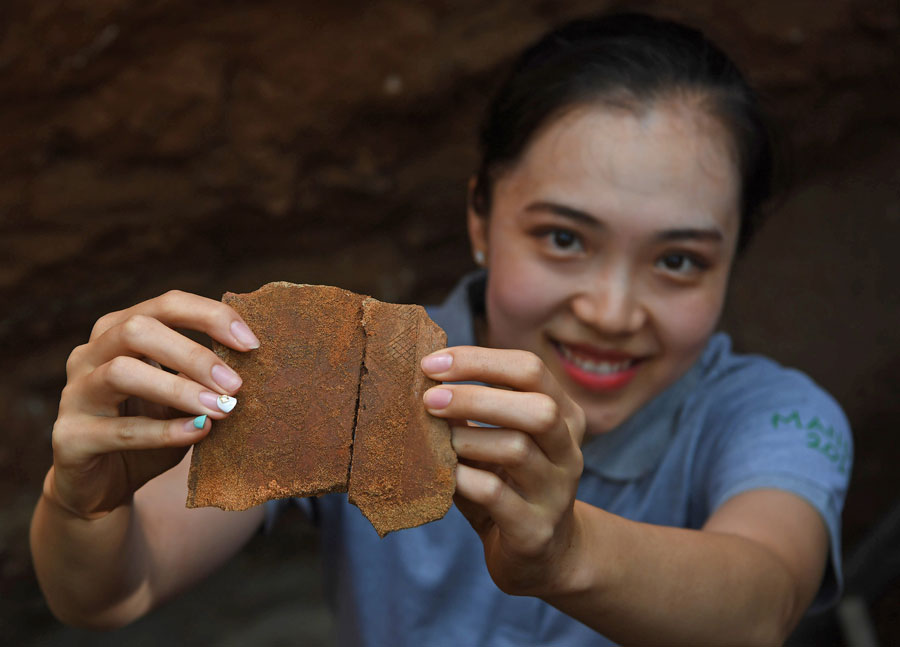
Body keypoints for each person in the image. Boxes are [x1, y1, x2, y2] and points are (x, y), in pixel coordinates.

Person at [30, 11, 852, 646]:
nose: (610, 310)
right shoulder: (352, 380)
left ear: (735, 257)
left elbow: (759, 603)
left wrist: (565, 552)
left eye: (678, 261)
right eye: (563, 238)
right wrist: (84, 500)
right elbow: (112, 590)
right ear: (479, 219)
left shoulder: (773, 417)